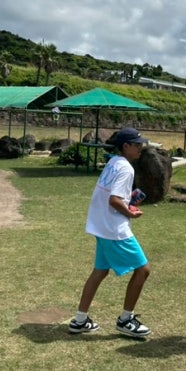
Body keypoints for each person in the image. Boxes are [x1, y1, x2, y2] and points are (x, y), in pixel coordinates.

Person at [69, 127, 152, 338]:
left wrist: (128, 202)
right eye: (137, 144)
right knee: (143, 270)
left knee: (100, 271)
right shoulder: (126, 169)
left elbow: (112, 196)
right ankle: (126, 320)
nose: (140, 147)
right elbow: (114, 200)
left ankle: (80, 320)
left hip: (100, 225)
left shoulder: (113, 163)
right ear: (126, 146)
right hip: (114, 229)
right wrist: (130, 212)